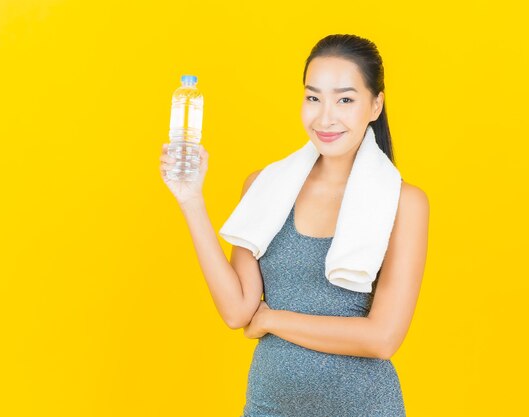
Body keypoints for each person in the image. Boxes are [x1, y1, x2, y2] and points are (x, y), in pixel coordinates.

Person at [159, 33, 429, 417]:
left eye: (345, 99)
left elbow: (382, 338)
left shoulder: (403, 202)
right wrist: (191, 200)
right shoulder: (264, 187)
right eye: (313, 97)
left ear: (375, 105)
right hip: (268, 407)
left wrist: (273, 319)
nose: (325, 117)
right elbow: (238, 311)